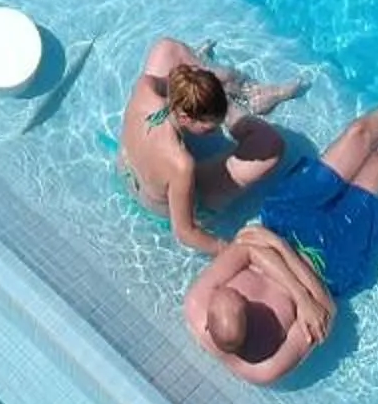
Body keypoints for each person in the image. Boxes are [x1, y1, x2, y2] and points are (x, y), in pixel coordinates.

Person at [185, 28, 378, 385]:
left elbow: (251, 239)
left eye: (234, 289)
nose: (243, 291)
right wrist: (280, 264)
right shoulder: (267, 364)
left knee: (359, 133)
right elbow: (327, 311)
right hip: (330, 259)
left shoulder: (199, 302)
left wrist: (298, 291)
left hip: (288, 218)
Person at [118, 37, 307, 253]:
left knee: (167, 49)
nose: (214, 132)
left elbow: (173, 82)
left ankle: (223, 86)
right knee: (269, 145)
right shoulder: (181, 165)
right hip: (164, 205)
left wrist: (201, 84)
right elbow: (186, 233)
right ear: (185, 117)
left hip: (128, 171)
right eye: (209, 129)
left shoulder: (146, 87)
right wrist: (236, 252)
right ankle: (246, 98)